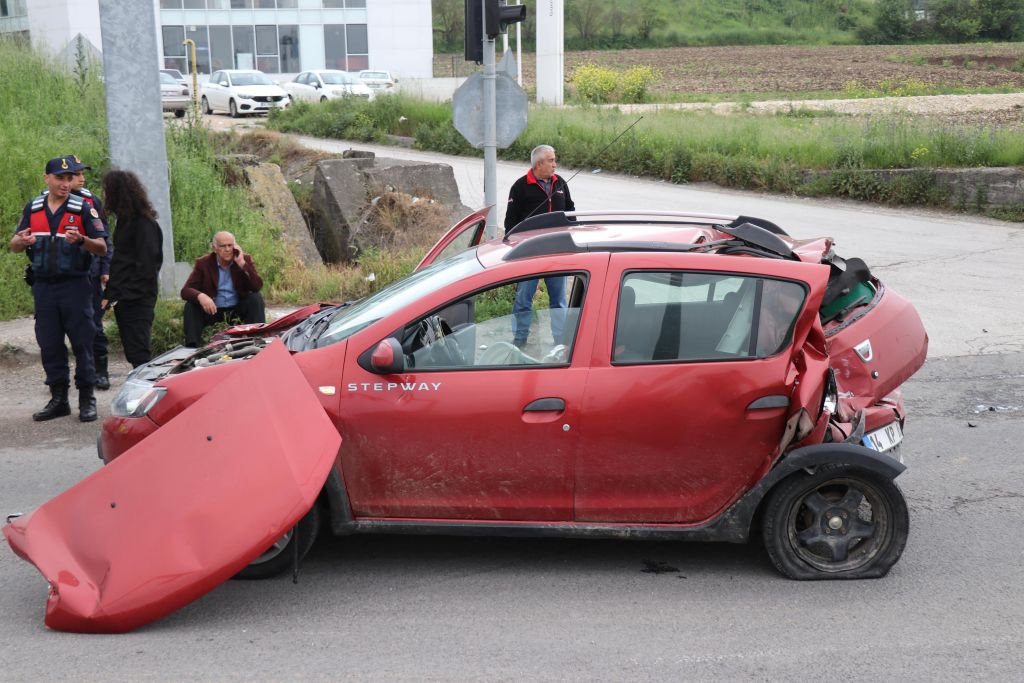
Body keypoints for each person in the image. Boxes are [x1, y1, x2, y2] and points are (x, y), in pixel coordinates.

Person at [9, 156, 108, 422]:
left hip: (75, 285)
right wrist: (21, 240)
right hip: (43, 287)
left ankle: (87, 399)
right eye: (60, 178)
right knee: (50, 344)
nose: (66, 183)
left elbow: (102, 247)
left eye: (69, 178)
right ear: (47, 179)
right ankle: (59, 399)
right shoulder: (34, 208)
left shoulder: (83, 208)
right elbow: (14, 245)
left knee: (82, 342)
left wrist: (83, 240)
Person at [503, 144, 575, 349]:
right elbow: (510, 224)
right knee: (523, 298)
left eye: (554, 160)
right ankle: (519, 340)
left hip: (557, 252)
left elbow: (571, 211)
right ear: (539, 163)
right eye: (551, 160)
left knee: (559, 301)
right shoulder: (520, 187)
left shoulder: (560, 183)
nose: (555, 164)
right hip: (530, 253)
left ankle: (560, 341)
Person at [100, 170, 164, 368]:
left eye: (107, 191)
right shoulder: (125, 222)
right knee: (132, 349)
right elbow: (121, 263)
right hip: (125, 296)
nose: (104, 196)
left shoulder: (144, 224)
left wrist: (125, 294)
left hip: (138, 296)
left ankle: (146, 392)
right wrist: (111, 294)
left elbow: (147, 265)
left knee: (139, 350)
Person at [180, 231, 265, 348]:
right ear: (214, 248)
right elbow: (186, 290)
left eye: (230, 245)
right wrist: (201, 296)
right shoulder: (204, 263)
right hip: (213, 310)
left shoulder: (243, 260)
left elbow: (257, 286)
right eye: (223, 246)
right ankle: (192, 346)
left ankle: (258, 339)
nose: (227, 249)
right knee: (191, 306)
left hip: (236, 310)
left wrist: (242, 264)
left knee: (255, 298)